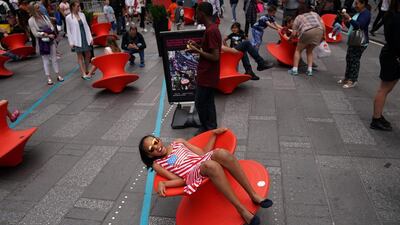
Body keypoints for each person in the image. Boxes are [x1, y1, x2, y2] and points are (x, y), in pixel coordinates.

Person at [138, 128, 273, 225]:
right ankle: (241, 209)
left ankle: (253, 194)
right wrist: (164, 184)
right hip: (191, 174)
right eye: (151, 149)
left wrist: (213, 135)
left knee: (221, 153)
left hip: (202, 161)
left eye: (155, 142)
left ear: (159, 139)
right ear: (150, 155)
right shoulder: (158, 163)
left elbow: (202, 153)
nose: (156, 147)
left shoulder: (178, 142)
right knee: (211, 165)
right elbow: (179, 180)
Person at [187, 2, 221, 134]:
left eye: (196, 12)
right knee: (208, 102)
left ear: (202, 13)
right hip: (208, 74)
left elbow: (215, 56)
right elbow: (209, 48)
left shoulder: (211, 30)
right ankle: (211, 127)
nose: (195, 15)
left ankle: (205, 127)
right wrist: (197, 46)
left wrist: (197, 50)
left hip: (207, 74)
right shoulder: (211, 29)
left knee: (200, 103)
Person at [370, 0, 400, 131]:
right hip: (394, 57)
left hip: (390, 55)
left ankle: (377, 117)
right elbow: (397, 41)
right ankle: (376, 119)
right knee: (384, 88)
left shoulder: (390, 14)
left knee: (385, 88)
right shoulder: (396, 17)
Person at [337, 0, 371, 88]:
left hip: (360, 41)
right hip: (353, 40)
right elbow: (352, 26)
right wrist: (346, 21)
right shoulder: (358, 13)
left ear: (363, 4)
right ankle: (347, 77)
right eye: (354, 3)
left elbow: (359, 26)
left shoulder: (366, 14)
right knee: (349, 58)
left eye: (357, 3)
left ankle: (352, 80)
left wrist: (350, 18)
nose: (355, 6)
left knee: (354, 60)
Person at [28, 1, 63, 85]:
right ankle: (48, 77)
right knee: (46, 60)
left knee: (54, 58)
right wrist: (45, 34)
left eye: (39, 7)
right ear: (33, 10)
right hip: (42, 42)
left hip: (51, 40)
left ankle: (58, 74)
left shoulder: (44, 17)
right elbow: (35, 33)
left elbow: (50, 25)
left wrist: (51, 31)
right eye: (37, 8)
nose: (39, 9)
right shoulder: (31, 20)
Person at [288, 4, 325, 76]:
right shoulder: (315, 14)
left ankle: (295, 70)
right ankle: (309, 70)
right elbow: (323, 25)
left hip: (307, 32)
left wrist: (289, 39)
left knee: (298, 50)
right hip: (319, 31)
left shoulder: (298, 17)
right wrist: (323, 36)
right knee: (309, 51)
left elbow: (293, 33)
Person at [66, 0, 93, 80]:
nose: (79, 7)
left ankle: (87, 69)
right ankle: (83, 73)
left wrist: (90, 38)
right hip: (76, 38)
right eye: (77, 6)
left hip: (85, 36)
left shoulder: (82, 15)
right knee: (80, 56)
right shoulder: (68, 18)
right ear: (72, 7)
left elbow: (87, 27)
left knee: (88, 54)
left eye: (79, 6)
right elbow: (68, 31)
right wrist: (71, 42)